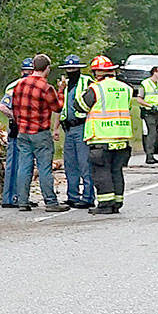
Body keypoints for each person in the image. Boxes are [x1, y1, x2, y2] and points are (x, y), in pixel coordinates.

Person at [11, 54, 69, 213]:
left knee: (24, 167)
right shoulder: (46, 88)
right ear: (47, 68)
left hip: (23, 132)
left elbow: (14, 108)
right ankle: (50, 202)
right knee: (44, 168)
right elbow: (57, 107)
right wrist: (61, 91)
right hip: (40, 132)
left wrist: (20, 123)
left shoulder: (20, 84)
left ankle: (22, 201)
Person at [78, 55, 134, 215]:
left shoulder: (96, 89)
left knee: (101, 172)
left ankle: (105, 204)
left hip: (101, 138)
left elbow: (81, 106)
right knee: (116, 171)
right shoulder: (126, 88)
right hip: (122, 139)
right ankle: (117, 202)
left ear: (98, 73)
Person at [56, 54, 95, 209]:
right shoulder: (64, 85)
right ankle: (72, 196)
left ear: (79, 68)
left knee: (84, 163)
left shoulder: (87, 82)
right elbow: (60, 107)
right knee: (70, 164)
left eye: (73, 68)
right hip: (68, 129)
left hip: (82, 126)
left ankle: (88, 196)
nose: (70, 71)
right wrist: (56, 127)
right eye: (68, 69)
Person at [0, 58, 34, 207]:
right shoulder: (18, 85)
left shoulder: (15, 85)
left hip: (21, 127)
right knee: (16, 164)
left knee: (23, 164)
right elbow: (3, 107)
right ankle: (11, 198)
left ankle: (20, 196)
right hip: (20, 128)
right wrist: (18, 117)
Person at [134, 65, 158, 164]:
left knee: (155, 134)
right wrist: (150, 105)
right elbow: (139, 99)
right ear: (155, 72)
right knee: (151, 133)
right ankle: (149, 156)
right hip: (149, 112)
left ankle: (151, 155)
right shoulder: (145, 84)